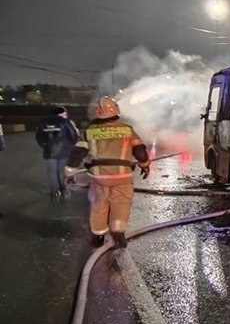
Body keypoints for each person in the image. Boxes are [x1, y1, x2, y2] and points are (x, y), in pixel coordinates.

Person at [65, 96, 150, 248]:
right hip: (122, 176)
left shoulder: (90, 131)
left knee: (99, 204)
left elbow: (78, 153)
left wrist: (69, 172)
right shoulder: (127, 129)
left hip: (99, 176)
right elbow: (140, 151)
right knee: (121, 204)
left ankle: (98, 236)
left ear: (98, 113)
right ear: (116, 110)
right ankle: (118, 232)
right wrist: (145, 164)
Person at [35, 106, 80, 200]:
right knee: (61, 171)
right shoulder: (65, 122)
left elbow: (39, 137)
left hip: (49, 151)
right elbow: (73, 135)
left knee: (52, 172)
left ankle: (55, 191)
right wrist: (71, 144)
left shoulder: (43, 122)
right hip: (64, 150)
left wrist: (44, 145)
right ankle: (63, 188)